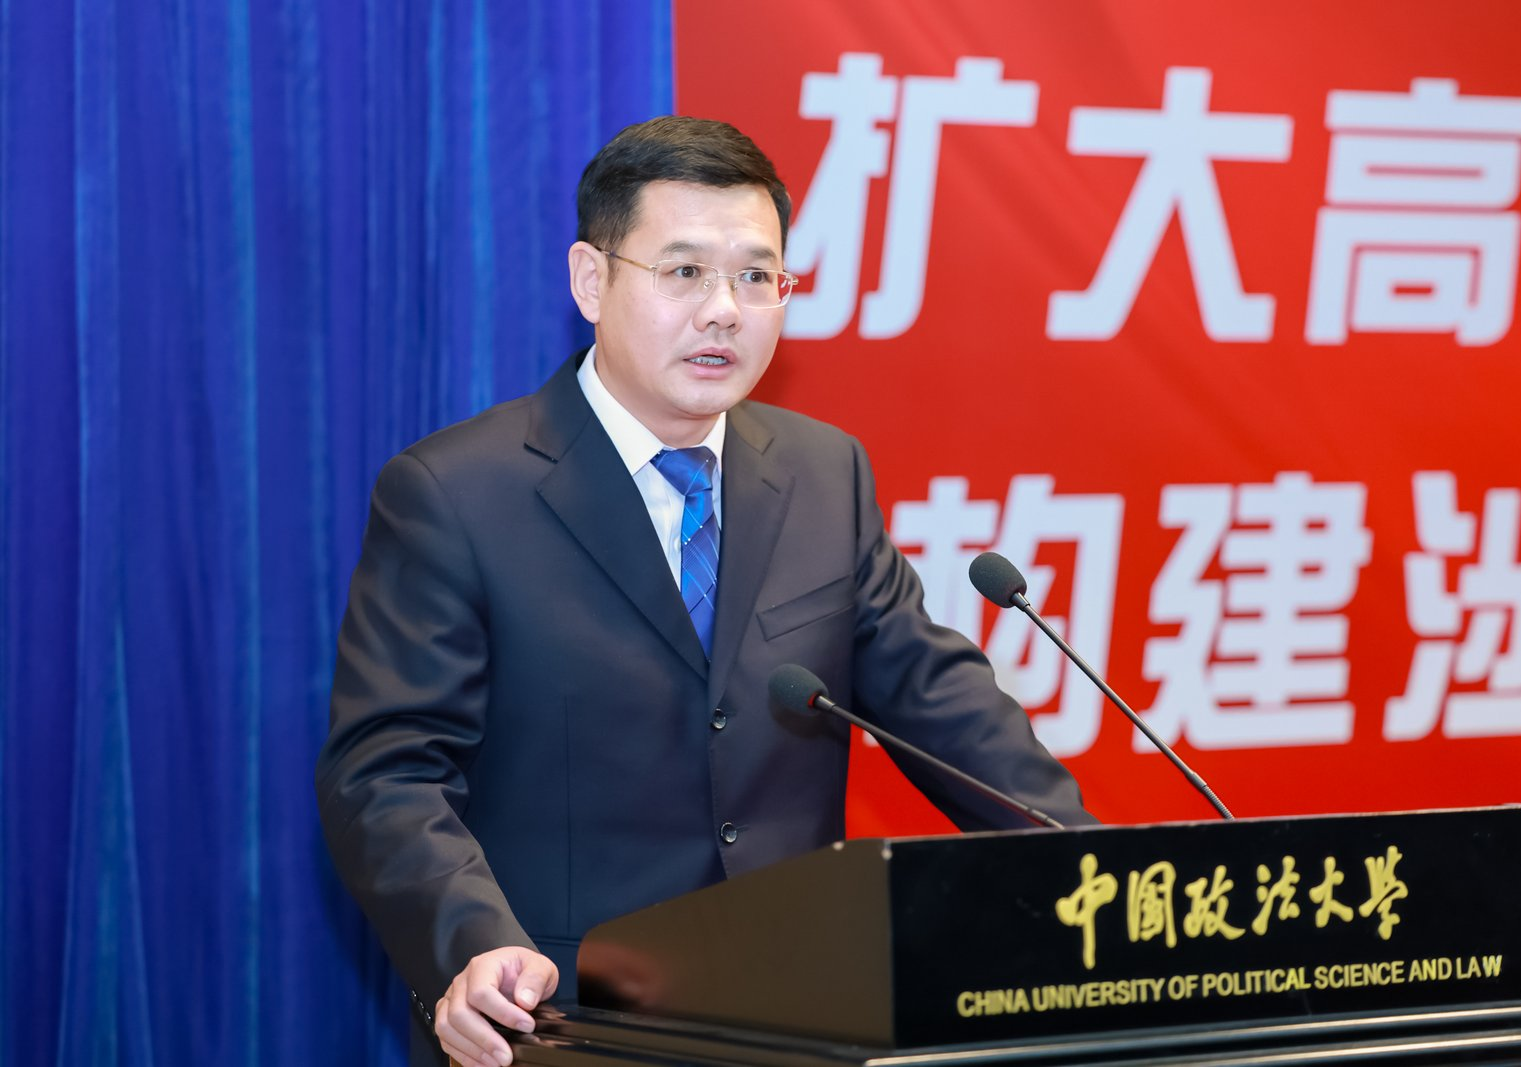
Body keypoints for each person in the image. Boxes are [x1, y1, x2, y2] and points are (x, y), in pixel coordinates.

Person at [315, 115, 1095, 1067]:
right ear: (591, 280)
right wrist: (473, 944)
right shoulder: (456, 494)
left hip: (800, 1020)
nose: (725, 309)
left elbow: (945, 709)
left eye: (758, 277)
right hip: (562, 1022)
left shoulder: (823, 474)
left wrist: (1097, 872)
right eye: (684, 271)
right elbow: (386, 774)